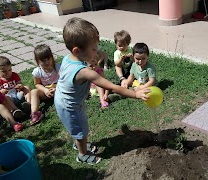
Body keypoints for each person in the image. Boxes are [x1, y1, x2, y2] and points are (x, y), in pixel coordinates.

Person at [55, 17, 149, 165]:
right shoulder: (85, 72)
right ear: (77, 50)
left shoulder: (68, 58)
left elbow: (61, 75)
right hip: (69, 106)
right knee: (81, 130)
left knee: (78, 127)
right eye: (93, 49)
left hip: (63, 99)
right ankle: (82, 154)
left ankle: (80, 143)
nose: (96, 51)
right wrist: (136, 94)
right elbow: (112, 87)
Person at [30, 44, 60, 126]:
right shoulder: (37, 71)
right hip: (47, 92)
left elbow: (64, 80)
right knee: (34, 92)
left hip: (59, 90)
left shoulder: (57, 67)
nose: (47, 62)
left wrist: (58, 88)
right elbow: (37, 84)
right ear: (38, 61)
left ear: (52, 57)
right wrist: (45, 90)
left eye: (48, 59)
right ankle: (35, 113)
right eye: (43, 60)